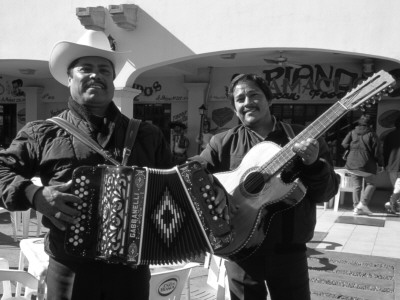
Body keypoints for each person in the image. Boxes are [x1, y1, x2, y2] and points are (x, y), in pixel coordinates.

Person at [0, 30, 175, 300]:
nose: (96, 75)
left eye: (104, 70)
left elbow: (175, 184)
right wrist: (35, 195)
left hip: (132, 269)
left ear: (113, 80)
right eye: (86, 69)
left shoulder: (146, 134)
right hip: (70, 268)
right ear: (69, 78)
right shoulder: (43, 132)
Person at [192, 74, 339, 300]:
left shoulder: (304, 138)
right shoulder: (222, 143)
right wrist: (216, 196)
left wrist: (313, 164)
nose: (247, 102)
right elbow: (193, 175)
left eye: (254, 95)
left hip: (289, 249)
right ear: (235, 108)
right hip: (240, 248)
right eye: (240, 99)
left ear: (269, 100)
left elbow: (326, 192)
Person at [341, 114, 383, 215]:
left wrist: (352, 148)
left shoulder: (352, 132)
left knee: (357, 186)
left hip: (351, 163)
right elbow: (377, 151)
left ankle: (356, 207)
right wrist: (381, 164)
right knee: (371, 184)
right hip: (366, 163)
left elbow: (344, 144)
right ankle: (362, 204)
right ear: (371, 125)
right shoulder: (372, 134)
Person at [383, 116, 400, 214]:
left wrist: (385, 164)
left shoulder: (389, 135)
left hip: (392, 166)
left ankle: (393, 206)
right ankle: (393, 204)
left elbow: (385, 151)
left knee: (396, 187)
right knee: (398, 189)